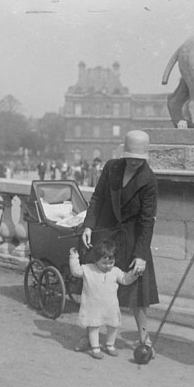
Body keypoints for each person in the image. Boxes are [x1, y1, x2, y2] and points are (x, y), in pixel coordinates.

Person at [80, 129, 159, 355]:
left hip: (133, 238)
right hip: (106, 233)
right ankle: (87, 336)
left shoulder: (149, 180)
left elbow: (147, 220)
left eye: (139, 159)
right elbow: (97, 198)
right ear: (124, 154)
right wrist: (88, 226)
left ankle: (145, 339)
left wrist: (141, 254)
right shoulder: (112, 167)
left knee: (138, 294)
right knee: (94, 285)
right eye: (131, 157)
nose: (134, 162)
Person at [69, 241, 138, 359]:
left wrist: (134, 274)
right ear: (96, 260)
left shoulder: (115, 271)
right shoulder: (88, 269)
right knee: (93, 326)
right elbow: (75, 271)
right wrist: (74, 257)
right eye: (104, 263)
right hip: (93, 306)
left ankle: (110, 345)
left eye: (111, 262)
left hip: (110, 306)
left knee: (113, 325)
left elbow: (125, 279)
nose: (108, 266)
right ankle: (95, 347)